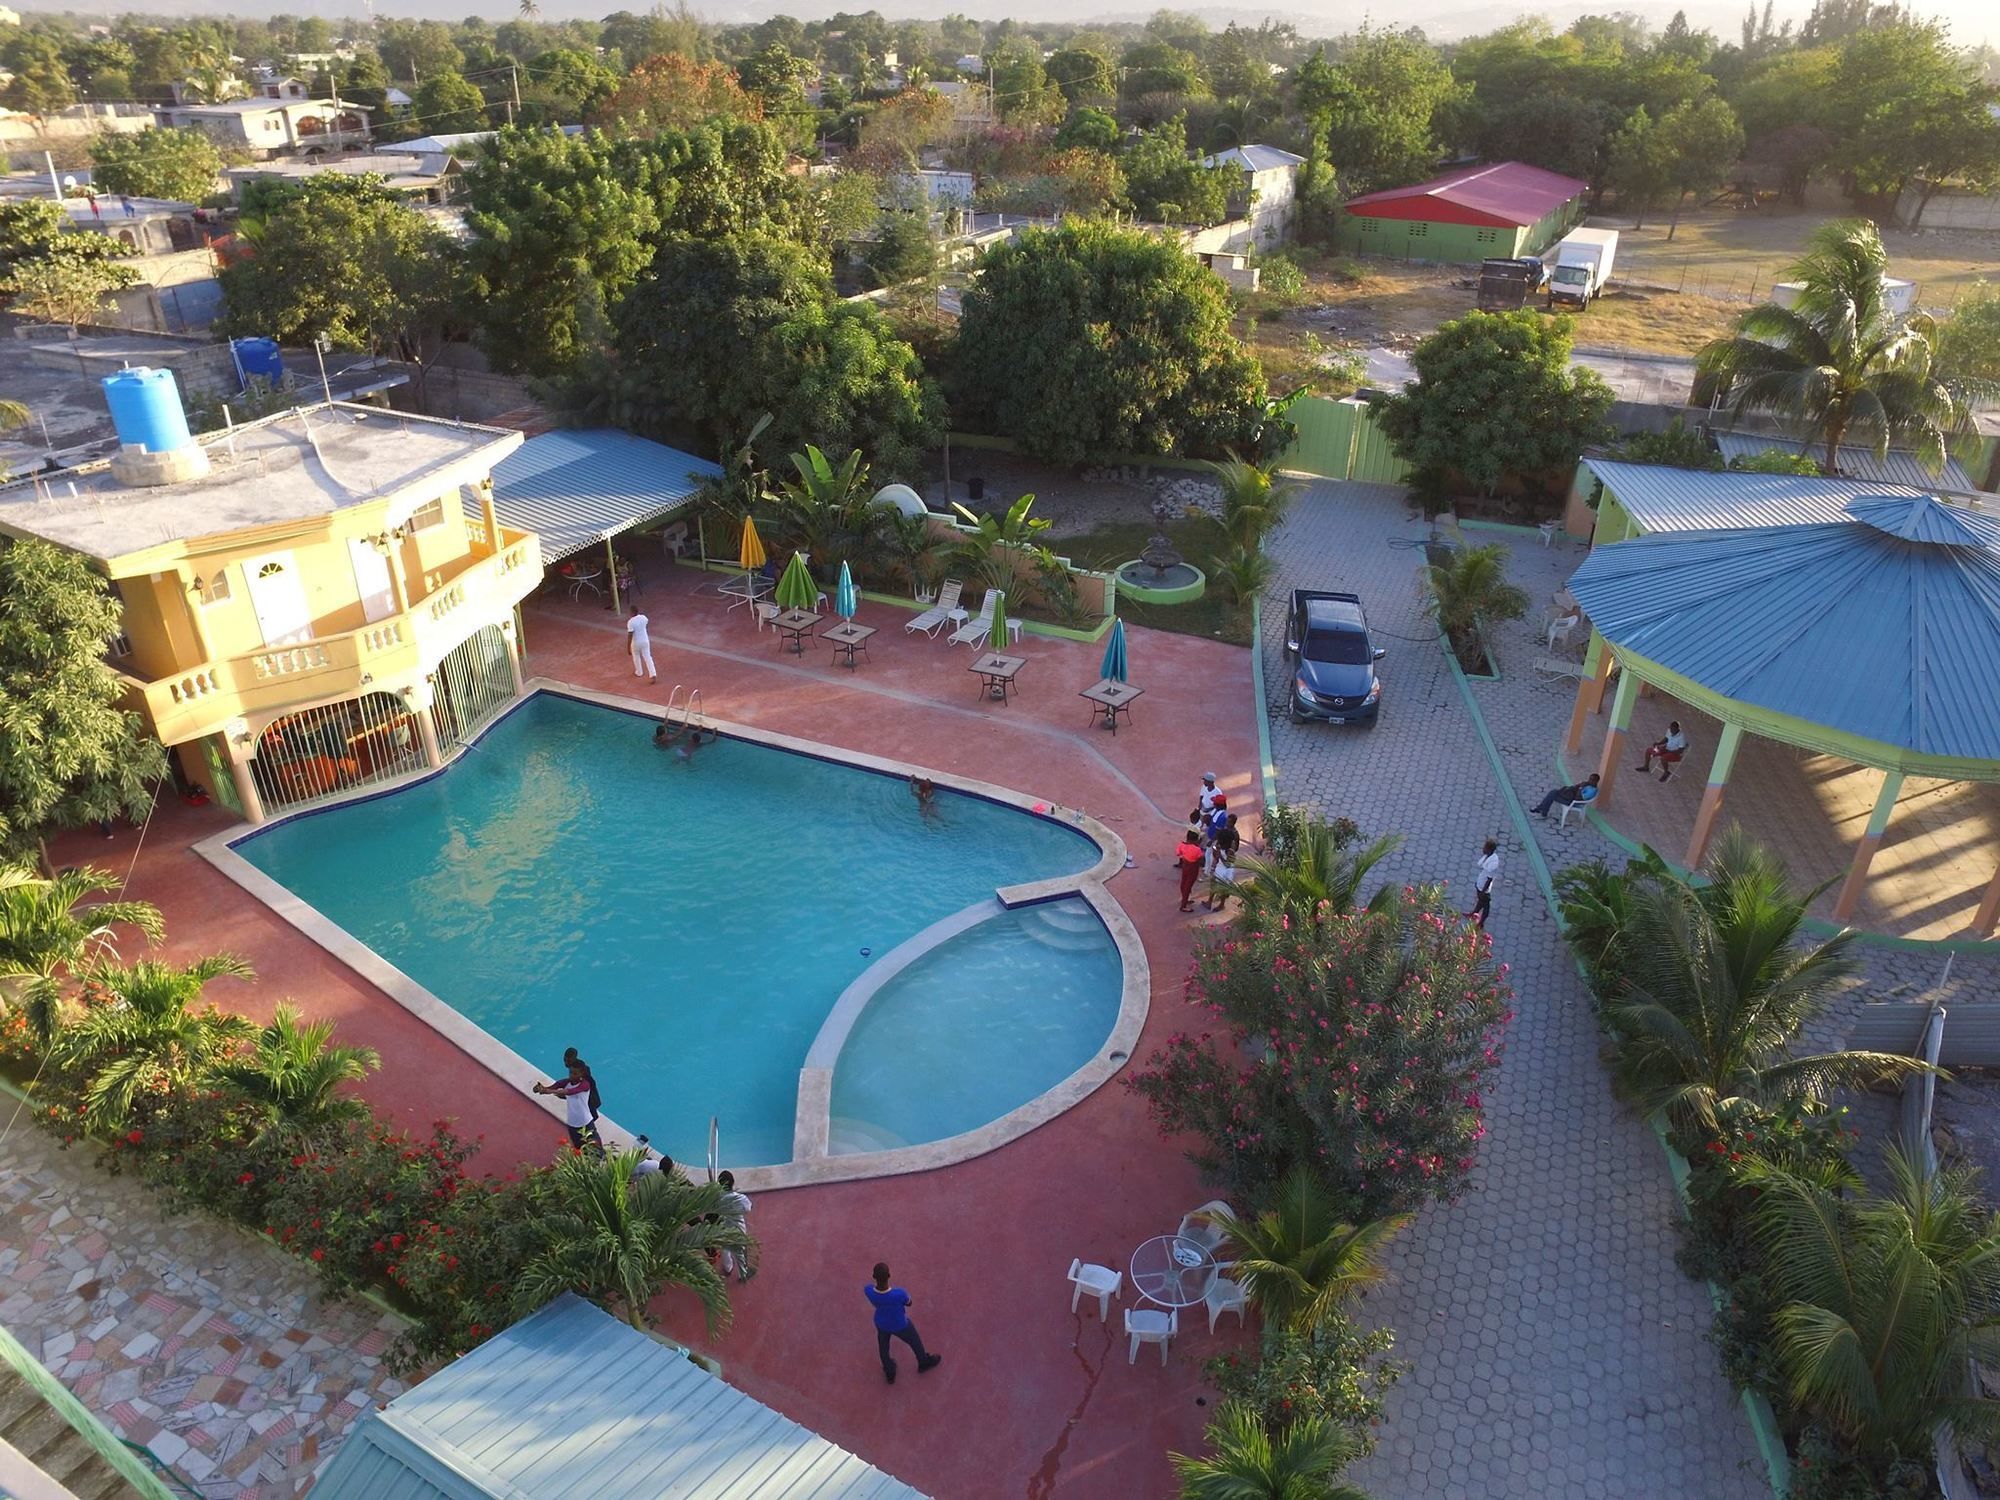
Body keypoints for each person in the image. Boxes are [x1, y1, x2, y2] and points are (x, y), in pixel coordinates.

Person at [865, 1262, 941, 1384]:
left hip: (881, 1323)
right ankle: (923, 1362)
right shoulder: (899, 1293)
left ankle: (889, 1371)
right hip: (900, 1324)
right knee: (915, 1341)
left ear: (874, 1277)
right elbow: (909, 1302)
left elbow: (869, 1289)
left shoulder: (868, 1291)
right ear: (889, 1275)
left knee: (883, 1347)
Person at [534, 1059, 601, 1155]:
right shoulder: (566, 1082)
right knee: (578, 1148)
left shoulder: (585, 1084)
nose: (571, 1075)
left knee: (595, 1147)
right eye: (570, 1072)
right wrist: (542, 1089)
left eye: (574, 1073)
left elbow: (569, 1092)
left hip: (586, 1123)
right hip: (572, 1123)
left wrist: (550, 1091)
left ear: (581, 1074)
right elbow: (554, 1086)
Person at [717, 1170, 754, 1282]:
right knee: (741, 1251)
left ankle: (728, 1268)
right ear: (733, 1182)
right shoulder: (740, 1198)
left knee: (725, 1249)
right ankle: (743, 1273)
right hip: (739, 1226)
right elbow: (748, 1209)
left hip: (724, 1227)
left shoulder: (719, 1198)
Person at [1533, 773, 1600, 818]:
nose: (1589, 780)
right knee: (1554, 792)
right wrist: (1578, 785)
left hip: (1573, 802)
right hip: (1570, 797)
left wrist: (1581, 788)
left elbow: (1578, 798)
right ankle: (1542, 810)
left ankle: (1542, 812)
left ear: (1596, 781)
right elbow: (1575, 787)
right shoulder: (1588, 785)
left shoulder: (1591, 791)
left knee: (1552, 794)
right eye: (1590, 779)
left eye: (1592, 780)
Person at [1467, 839, 1500, 930]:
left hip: (1484, 887)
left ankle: (1481, 923)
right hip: (1480, 883)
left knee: (1485, 904)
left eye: (1485, 847)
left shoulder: (1493, 864)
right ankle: (1474, 913)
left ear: (1489, 849)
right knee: (1481, 901)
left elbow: (1489, 879)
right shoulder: (1488, 856)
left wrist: (1483, 891)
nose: (1483, 849)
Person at [1175, 830, 1207, 912]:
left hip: (1185, 865)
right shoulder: (1197, 849)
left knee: (1184, 882)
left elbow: (1178, 853)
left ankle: (1184, 899)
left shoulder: (1182, 845)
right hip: (1193, 868)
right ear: (1196, 840)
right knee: (1188, 885)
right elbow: (1200, 859)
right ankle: (1183, 905)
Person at [626, 610, 657, 683]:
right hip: (645, 641)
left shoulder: (630, 622)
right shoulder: (643, 618)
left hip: (636, 642)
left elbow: (630, 635)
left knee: (636, 656)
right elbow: (646, 622)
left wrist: (628, 647)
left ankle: (639, 672)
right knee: (648, 657)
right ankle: (653, 674)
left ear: (632, 613)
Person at [1204, 846, 1238, 912]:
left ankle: (1221, 905)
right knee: (1213, 885)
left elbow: (1227, 864)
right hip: (1219, 870)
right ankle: (1209, 902)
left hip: (1226, 873)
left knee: (1223, 889)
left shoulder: (1230, 851)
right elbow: (1216, 859)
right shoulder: (1222, 848)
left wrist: (1220, 856)